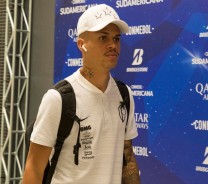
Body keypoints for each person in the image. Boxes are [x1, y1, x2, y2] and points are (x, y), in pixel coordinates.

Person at [23, 4, 140, 184]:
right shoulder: (58, 98)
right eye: (103, 38)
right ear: (81, 44)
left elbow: (128, 159)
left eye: (116, 39)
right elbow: (34, 167)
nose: (112, 45)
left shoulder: (124, 95)